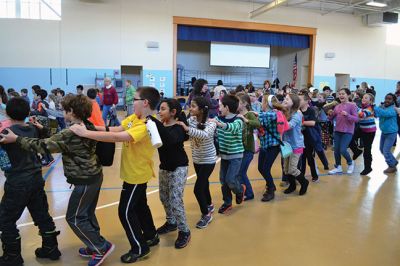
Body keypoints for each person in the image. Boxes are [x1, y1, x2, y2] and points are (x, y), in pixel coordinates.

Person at [0, 95, 114, 266]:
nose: (62, 112)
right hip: (89, 176)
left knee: (74, 218)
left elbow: (43, 145)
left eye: (64, 110)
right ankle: (76, 246)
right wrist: (43, 130)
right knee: (78, 214)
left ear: (71, 112)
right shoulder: (85, 125)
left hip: (82, 179)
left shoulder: (69, 132)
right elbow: (54, 139)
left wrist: (16, 139)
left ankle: (100, 247)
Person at [69, 87, 160, 263]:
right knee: (141, 206)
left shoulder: (146, 124)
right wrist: (89, 127)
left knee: (125, 212)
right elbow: (116, 129)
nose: (131, 102)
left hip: (137, 175)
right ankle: (151, 235)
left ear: (145, 103)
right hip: (132, 173)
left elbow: (119, 138)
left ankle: (140, 248)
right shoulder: (135, 118)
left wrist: (87, 134)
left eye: (134, 99)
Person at [0, 97, 61, 266]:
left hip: (17, 182)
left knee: (5, 220)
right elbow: (49, 132)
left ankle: (12, 256)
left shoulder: (7, 133)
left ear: (6, 112)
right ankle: (51, 248)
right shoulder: (34, 129)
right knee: (42, 215)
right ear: (28, 112)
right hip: (35, 180)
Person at [148, 99, 191, 249]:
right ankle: (171, 222)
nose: (160, 112)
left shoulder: (177, 128)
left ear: (173, 113)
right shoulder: (162, 126)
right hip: (165, 167)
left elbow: (170, 139)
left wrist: (154, 122)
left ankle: (184, 230)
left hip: (179, 167)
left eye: (163, 109)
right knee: (163, 196)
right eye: (159, 109)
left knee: (175, 199)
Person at [177, 97, 217, 229]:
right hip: (197, 159)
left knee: (198, 189)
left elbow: (204, 135)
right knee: (204, 183)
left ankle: (206, 214)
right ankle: (210, 204)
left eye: (193, 106)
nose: (190, 108)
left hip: (209, 159)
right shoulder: (191, 120)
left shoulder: (211, 123)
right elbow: (182, 128)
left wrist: (187, 129)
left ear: (201, 109)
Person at [210, 95, 246, 214]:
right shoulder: (218, 118)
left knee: (230, 179)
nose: (219, 107)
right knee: (223, 180)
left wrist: (219, 124)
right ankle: (227, 202)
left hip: (236, 156)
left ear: (226, 107)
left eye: (220, 105)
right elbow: (211, 124)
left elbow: (232, 128)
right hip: (224, 155)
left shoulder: (238, 120)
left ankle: (240, 190)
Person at [258, 95, 286, 202]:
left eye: (263, 102)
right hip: (264, 145)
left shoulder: (274, 114)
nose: (261, 104)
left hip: (273, 146)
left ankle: (271, 190)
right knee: (261, 168)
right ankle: (271, 185)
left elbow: (259, 116)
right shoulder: (267, 113)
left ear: (267, 104)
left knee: (265, 169)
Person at [281, 94, 309, 195]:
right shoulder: (286, 112)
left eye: (287, 99)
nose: (284, 100)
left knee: (292, 168)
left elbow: (288, 126)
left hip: (296, 145)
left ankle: (304, 182)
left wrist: (280, 116)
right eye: (285, 98)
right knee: (286, 168)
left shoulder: (297, 114)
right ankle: (292, 185)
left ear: (294, 102)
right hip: (286, 145)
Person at [327, 88, 359, 175]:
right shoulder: (337, 107)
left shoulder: (352, 106)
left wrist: (347, 115)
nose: (341, 95)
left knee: (343, 150)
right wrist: (330, 114)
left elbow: (356, 119)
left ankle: (350, 163)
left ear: (348, 95)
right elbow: (330, 118)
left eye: (343, 94)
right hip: (337, 131)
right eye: (340, 94)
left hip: (348, 131)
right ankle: (338, 167)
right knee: (336, 150)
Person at [236, 93, 260, 201]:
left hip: (248, 150)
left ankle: (249, 193)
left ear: (244, 104)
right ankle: (243, 191)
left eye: (238, 102)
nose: (236, 104)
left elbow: (257, 124)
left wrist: (246, 120)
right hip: (239, 149)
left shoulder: (249, 114)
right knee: (239, 172)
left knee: (241, 172)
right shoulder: (236, 114)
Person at [374, 93, 399, 174]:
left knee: (386, 150)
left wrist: (375, 107)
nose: (387, 100)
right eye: (386, 98)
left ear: (393, 101)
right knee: (382, 149)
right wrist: (374, 111)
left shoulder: (393, 109)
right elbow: (377, 114)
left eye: (389, 99)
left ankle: (392, 166)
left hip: (391, 133)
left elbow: (385, 114)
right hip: (384, 132)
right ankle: (394, 161)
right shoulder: (382, 107)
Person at [298, 92, 319, 182]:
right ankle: (301, 176)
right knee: (301, 158)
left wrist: (300, 122)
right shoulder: (297, 110)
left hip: (309, 137)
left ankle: (314, 175)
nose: (298, 101)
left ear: (307, 101)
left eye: (300, 99)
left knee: (309, 157)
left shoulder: (311, 110)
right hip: (299, 138)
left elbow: (313, 123)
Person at [357, 93, 376, 175]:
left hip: (370, 132)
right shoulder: (362, 107)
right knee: (350, 137)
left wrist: (355, 108)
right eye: (363, 98)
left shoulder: (369, 108)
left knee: (367, 150)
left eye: (366, 98)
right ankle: (356, 151)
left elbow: (362, 115)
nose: (363, 99)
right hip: (362, 129)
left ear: (370, 101)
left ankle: (368, 168)